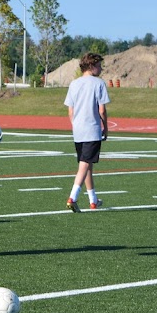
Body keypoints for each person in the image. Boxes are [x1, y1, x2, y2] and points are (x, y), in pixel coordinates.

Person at [64, 52, 111, 212]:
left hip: (78, 130)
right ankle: (73, 197)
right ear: (91, 66)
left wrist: (75, 125)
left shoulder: (74, 84)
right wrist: (105, 126)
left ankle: (93, 200)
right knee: (84, 164)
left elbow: (70, 111)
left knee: (87, 164)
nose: (101, 69)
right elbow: (102, 110)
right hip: (92, 129)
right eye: (99, 66)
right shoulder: (99, 84)